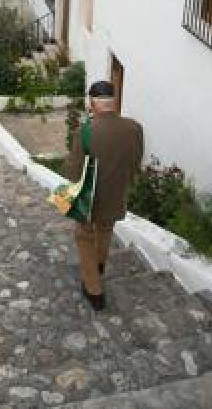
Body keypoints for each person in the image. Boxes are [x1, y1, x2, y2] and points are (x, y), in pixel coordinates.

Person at [67, 80, 144, 311]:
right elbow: (135, 161)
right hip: (116, 194)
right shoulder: (134, 128)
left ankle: (94, 290)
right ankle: (100, 263)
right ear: (114, 101)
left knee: (84, 236)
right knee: (106, 229)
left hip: (91, 198)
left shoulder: (85, 131)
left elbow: (73, 172)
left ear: (92, 103)